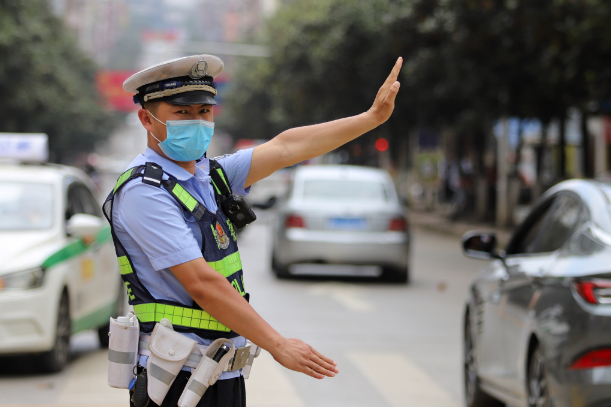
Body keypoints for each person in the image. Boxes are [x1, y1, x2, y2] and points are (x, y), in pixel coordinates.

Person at [104, 54, 402, 407]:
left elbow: (286, 147)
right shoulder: (144, 191)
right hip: (174, 381)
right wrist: (278, 344)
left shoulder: (209, 175)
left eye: (204, 112)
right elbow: (202, 283)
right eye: (182, 113)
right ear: (146, 119)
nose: (197, 122)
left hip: (220, 373)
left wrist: (371, 119)